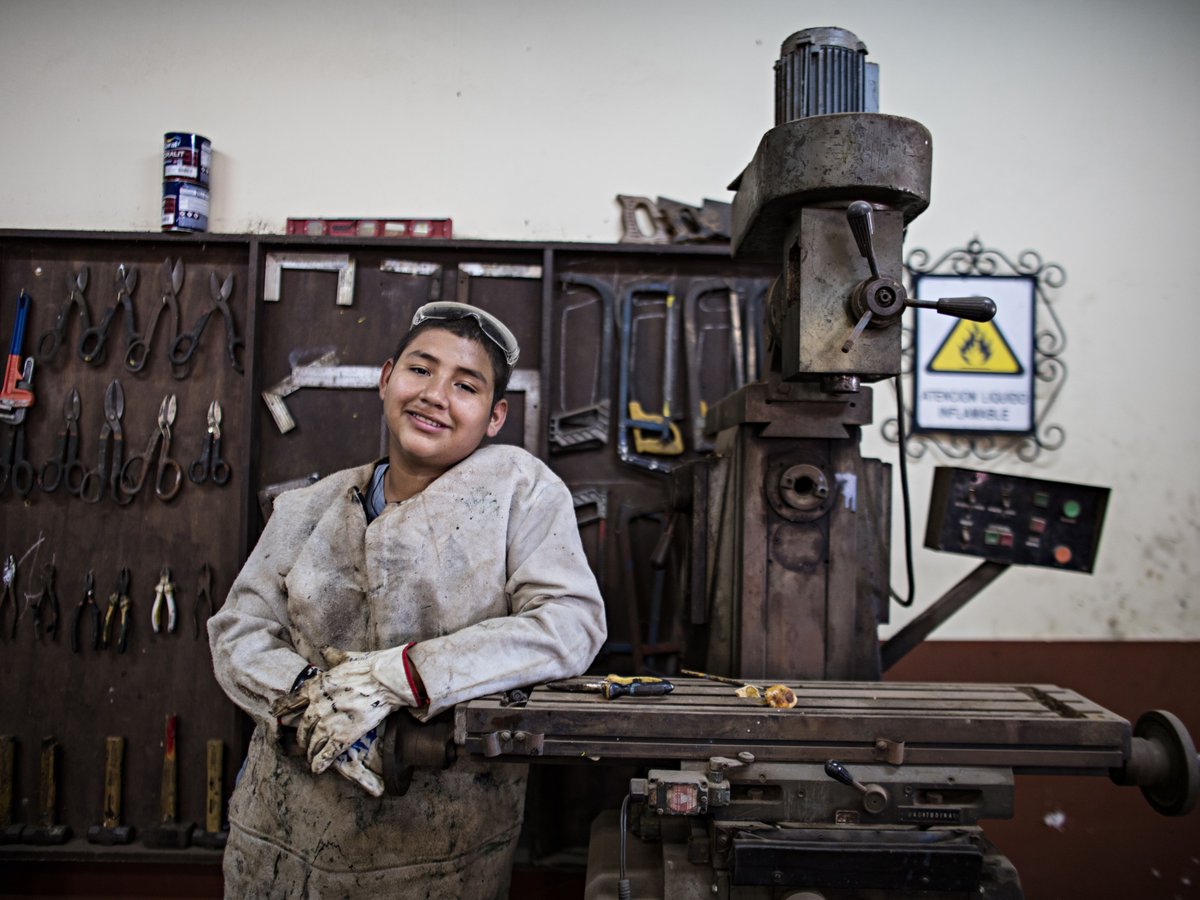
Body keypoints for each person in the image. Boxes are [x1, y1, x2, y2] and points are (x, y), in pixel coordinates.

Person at [208, 301, 607, 898]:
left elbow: (570, 622)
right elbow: (239, 629)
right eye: (420, 370)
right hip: (279, 838)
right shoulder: (309, 507)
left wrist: (403, 675)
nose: (435, 395)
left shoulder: (519, 492)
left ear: (495, 415)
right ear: (386, 377)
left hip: (437, 853)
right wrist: (306, 697)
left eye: (465, 385)